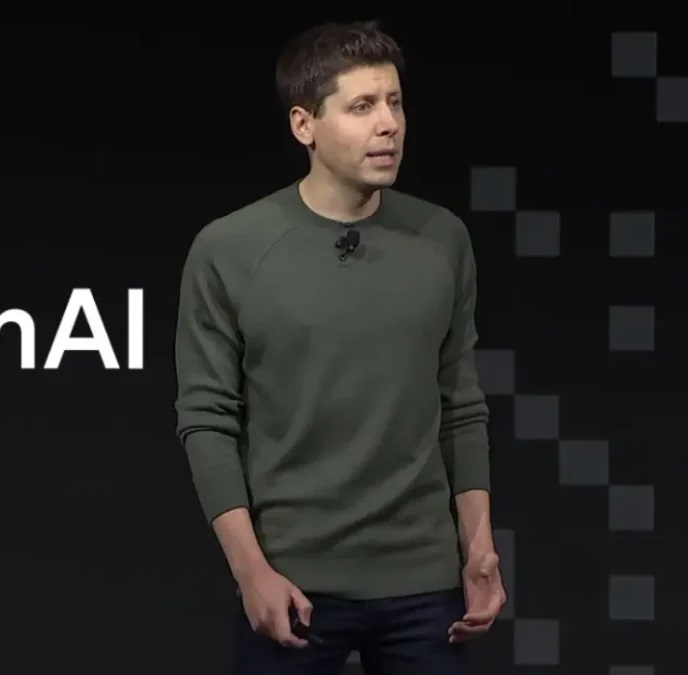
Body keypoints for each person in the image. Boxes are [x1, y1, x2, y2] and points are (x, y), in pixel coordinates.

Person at [173, 20, 507, 675]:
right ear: (305, 125)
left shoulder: (442, 240)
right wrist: (251, 572)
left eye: (395, 103)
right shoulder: (230, 249)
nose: (389, 125)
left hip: (424, 585)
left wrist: (479, 550)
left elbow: (461, 404)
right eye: (362, 107)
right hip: (293, 584)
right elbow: (207, 419)